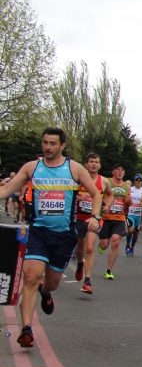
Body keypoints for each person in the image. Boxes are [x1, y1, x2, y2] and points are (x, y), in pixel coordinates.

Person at [0, 128, 102, 347]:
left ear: (62, 145)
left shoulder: (74, 169)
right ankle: (26, 329)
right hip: (38, 233)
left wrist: (95, 216)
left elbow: (96, 194)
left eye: (52, 143)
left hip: (64, 236)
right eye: (45, 142)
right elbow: (6, 190)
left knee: (52, 283)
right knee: (30, 276)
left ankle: (46, 292)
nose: (47, 147)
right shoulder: (31, 168)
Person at [72, 153, 111, 294]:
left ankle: (87, 281)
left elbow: (110, 194)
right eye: (91, 162)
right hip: (79, 217)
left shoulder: (104, 181)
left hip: (94, 218)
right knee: (80, 247)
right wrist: (77, 197)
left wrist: (107, 205)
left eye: (96, 162)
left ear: (100, 165)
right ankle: (80, 263)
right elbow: (68, 193)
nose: (94, 164)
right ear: (86, 164)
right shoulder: (78, 179)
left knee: (89, 248)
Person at [97, 164, 131, 280]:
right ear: (113, 172)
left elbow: (128, 203)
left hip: (119, 218)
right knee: (104, 244)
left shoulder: (127, 187)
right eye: (118, 170)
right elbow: (99, 195)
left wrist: (128, 201)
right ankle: (101, 247)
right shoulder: (107, 182)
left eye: (122, 170)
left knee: (116, 241)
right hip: (106, 218)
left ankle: (109, 270)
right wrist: (104, 204)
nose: (120, 172)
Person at [125, 174, 142, 256]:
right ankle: (127, 245)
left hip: (138, 215)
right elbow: (125, 198)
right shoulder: (130, 189)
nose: (138, 182)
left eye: (140, 180)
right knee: (130, 230)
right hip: (130, 213)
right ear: (134, 181)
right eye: (137, 180)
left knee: (136, 233)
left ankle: (132, 248)